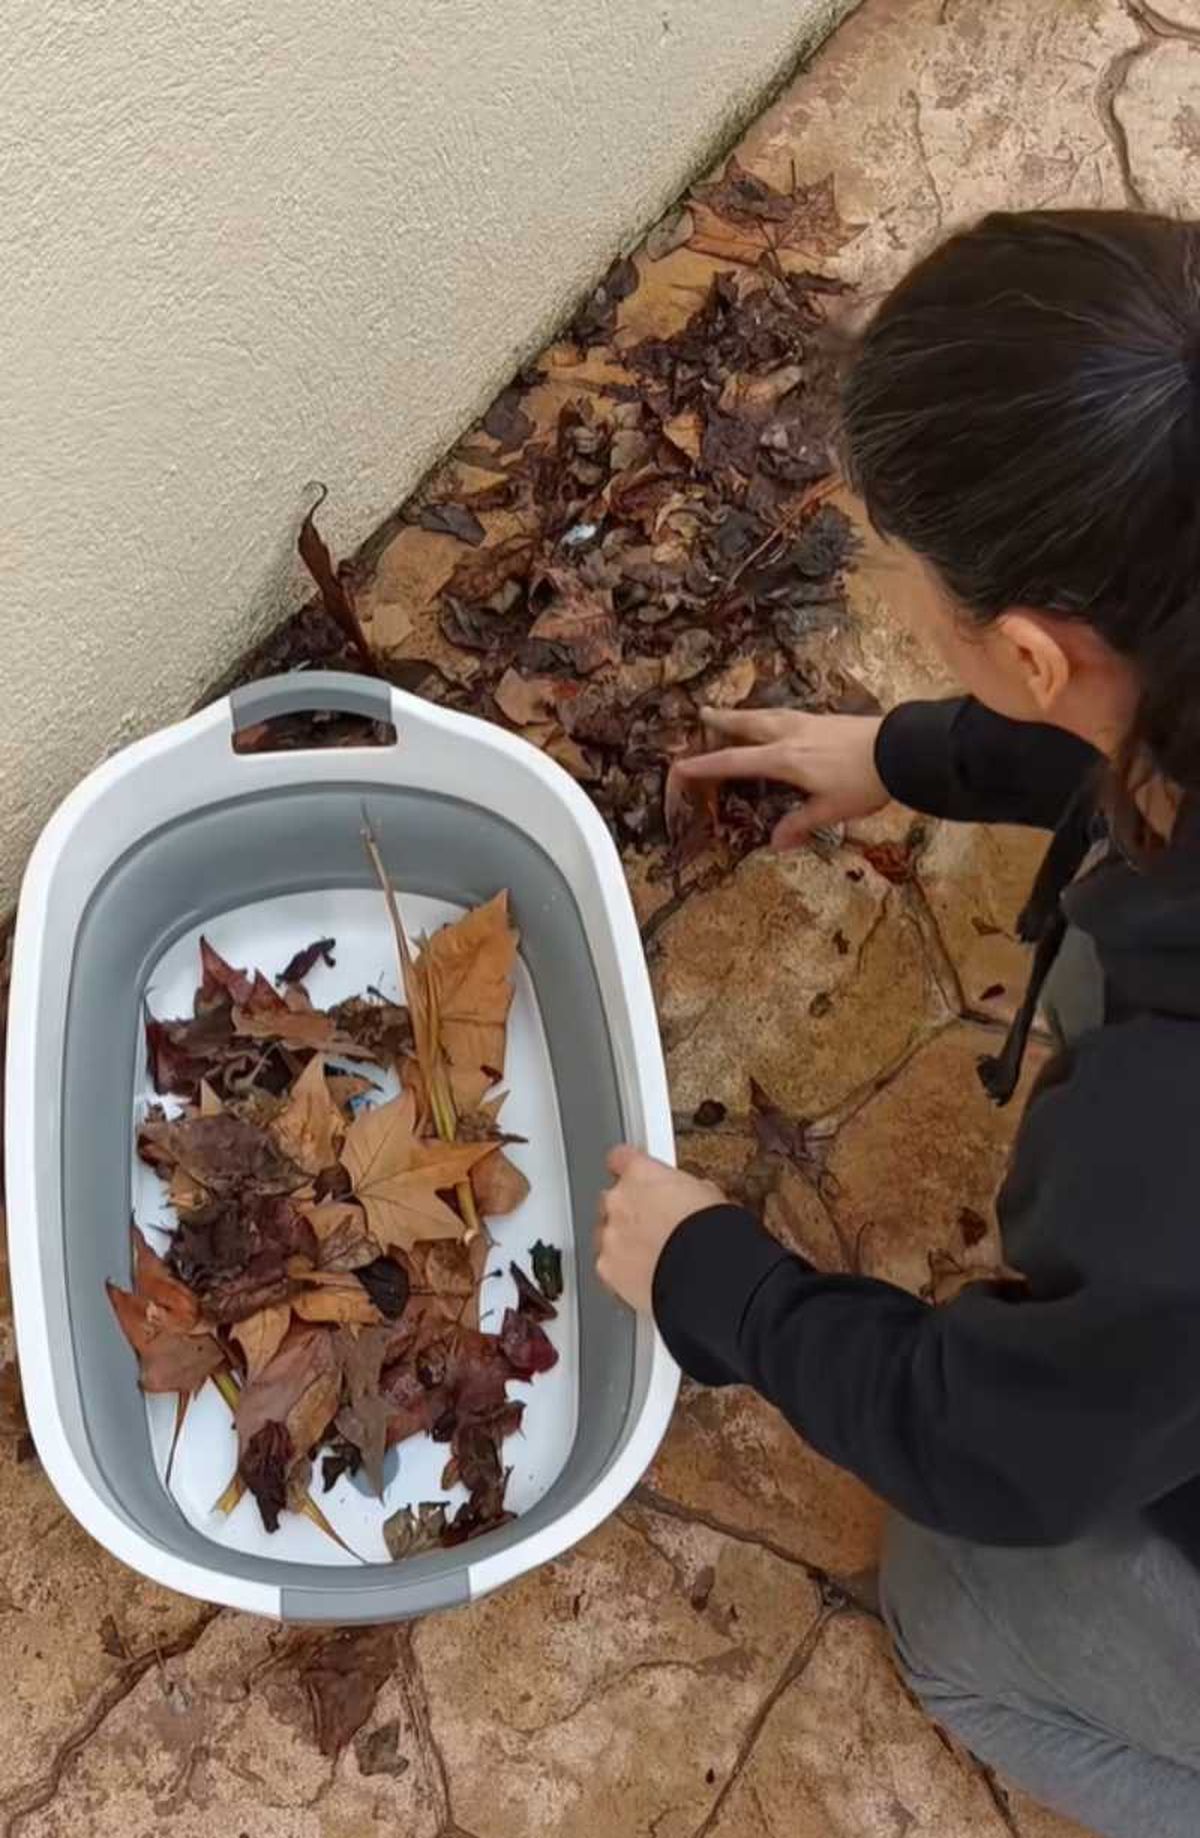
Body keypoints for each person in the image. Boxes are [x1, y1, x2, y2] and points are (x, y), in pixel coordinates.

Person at [595, 210, 1200, 1838]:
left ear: (1028, 649)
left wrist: (718, 1281)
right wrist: (913, 752)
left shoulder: (1166, 1146)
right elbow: (1146, 730)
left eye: (919, 596)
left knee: (955, 1598)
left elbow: (1000, 1442)